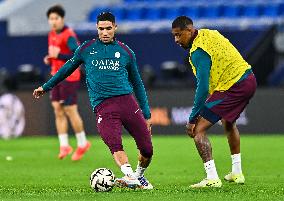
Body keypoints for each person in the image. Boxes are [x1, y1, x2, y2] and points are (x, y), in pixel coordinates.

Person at [34, 12, 153, 190]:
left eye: (108, 28)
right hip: (103, 105)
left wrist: (147, 113)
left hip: (127, 102)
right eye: (101, 29)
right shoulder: (86, 49)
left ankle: (138, 176)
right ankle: (129, 175)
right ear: (97, 29)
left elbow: (137, 83)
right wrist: (46, 86)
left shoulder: (126, 51)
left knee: (147, 149)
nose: (104, 32)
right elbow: (66, 69)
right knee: (113, 142)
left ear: (115, 28)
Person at [171, 16, 257, 188]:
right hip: (249, 79)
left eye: (179, 35)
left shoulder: (198, 52)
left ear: (190, 30)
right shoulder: (210, 33)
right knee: (228, 122)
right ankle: (237, 172)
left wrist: (192, 119)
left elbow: (202, 88)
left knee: (198, 131)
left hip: (233, 86)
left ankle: (212, 178)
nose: (176, 40)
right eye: (174, 36)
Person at [44, 5, 91, 161]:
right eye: (51, 18)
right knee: (57, 109)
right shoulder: (51, 34)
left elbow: (77, 56)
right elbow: (56, 55)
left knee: (70, 109)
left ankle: (82, 143)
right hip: (55, 76)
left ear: (62, 19)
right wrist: (51, 58)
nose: (53, 21)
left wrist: (60, 55)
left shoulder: (68, 35)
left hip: (69, 77)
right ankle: (64, 145)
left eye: (56, 18)